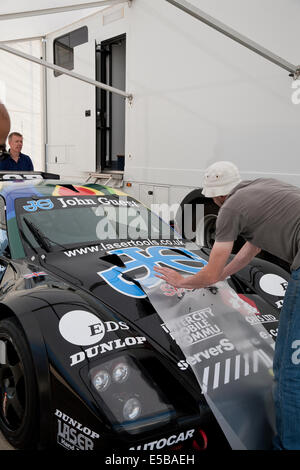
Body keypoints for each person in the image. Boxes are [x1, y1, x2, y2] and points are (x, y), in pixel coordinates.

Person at [154, 160, 300, 450]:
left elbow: (208, 272)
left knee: (289, 371)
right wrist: (223, 276)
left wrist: (181, 281)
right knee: (285, 358)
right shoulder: (263, 185)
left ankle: (289, 445)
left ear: (217, 196)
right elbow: (252, 247)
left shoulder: (230, 209)